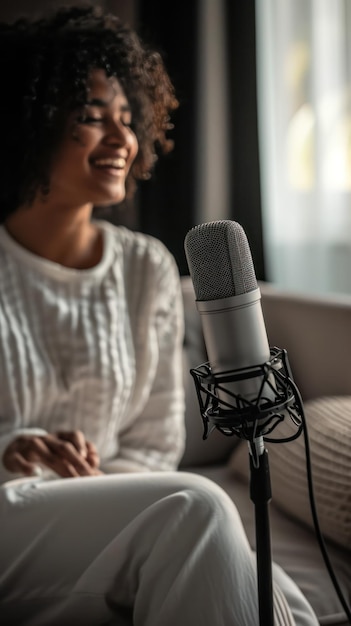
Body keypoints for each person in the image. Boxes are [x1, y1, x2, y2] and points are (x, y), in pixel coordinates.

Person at [0, 4, 319, 625]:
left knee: (271, 586)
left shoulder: (146, 268)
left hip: (106, 507)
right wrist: (13, 448)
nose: (122, 139)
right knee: (196, 508)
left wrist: (100, 487)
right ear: (27, 122)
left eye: (127, 119)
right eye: (92, 118)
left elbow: (153, 443)